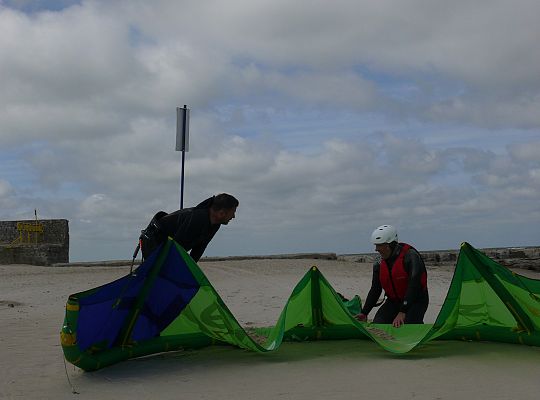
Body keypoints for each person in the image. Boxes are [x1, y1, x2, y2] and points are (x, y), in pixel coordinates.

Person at [356, 225, 428, 327]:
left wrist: (403, 311)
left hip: (415, 301)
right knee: (378, 325)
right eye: (376, 245)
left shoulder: (410, 256)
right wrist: (364, 312)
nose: (376, 249)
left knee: (406, 327)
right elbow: (375, 289)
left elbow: (414, 285)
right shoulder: (378, 262)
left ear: (390, 244)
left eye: (379, 245)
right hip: (393, 302)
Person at [139, 193, 238, 262]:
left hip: (168, 247)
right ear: (221, 213)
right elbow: (176, 246)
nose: (233, 216)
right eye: (233, 212)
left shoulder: (215, 224)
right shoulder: (198, 217)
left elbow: (199, 249)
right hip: (154, 242)